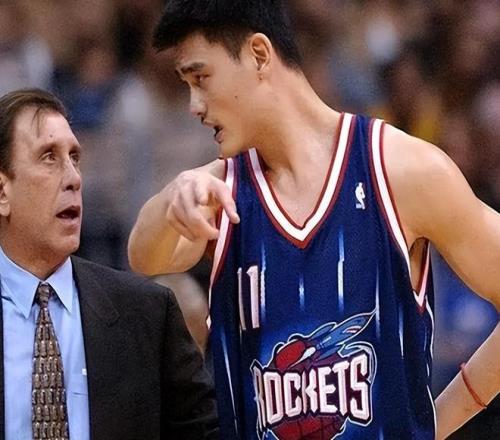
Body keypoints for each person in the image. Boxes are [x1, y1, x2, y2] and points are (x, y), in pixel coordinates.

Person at [128, 1, 500, 439]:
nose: (194, 105)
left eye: (201, 78)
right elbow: (144, 258)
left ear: (259, 54)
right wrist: (173, 198)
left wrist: (440, 420)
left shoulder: (402, 170)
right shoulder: (217, 192)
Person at [0, 88, 219, 440]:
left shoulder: (148, 314)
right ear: (2, 192)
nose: (74, 178)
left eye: (75, 157)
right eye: (49, 157)